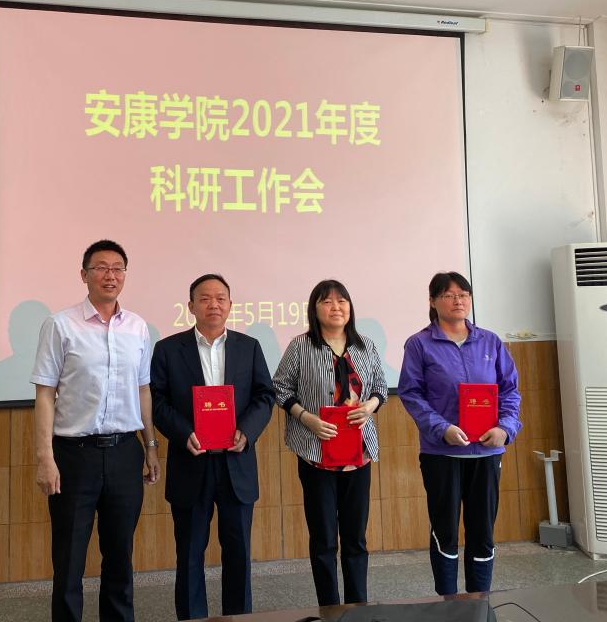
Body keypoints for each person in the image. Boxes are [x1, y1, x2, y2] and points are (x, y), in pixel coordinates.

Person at [31, 240, 161, 622]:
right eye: (101, 267)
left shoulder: (137, 327)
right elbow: (44, 394)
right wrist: (45, 457)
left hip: (124, 453)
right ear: (84, 274)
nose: (110, 275)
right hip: (74, 455)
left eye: (118, 268)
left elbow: (143, 390)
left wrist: (150, 446)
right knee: (69, 558)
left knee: (120, 557)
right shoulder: (60, 325)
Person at [151, 274, 275, 620]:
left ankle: (239, 617)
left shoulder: (249, 347)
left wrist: (247, 431)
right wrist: (183, 433)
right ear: (191, 306)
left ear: (230, 306)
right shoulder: (168, 349)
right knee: (190, 554)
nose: (213, 305)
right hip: (191, 461)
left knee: (238, 553)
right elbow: (156, 401)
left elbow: (265, 395)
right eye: (204, 299)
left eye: (220, 298)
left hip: (236, 463)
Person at [398, 271, 522, 596]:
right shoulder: (419, 344)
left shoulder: (490, 341)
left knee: (482, 531)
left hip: (487, 452)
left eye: (463, 294)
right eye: (449, 295)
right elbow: (411, 394)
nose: (458, 301)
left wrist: (505, 428)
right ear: (433, 301)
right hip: (442, 453)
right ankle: (448, 601)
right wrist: (442, 429)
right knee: (445, 531)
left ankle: (479, 601)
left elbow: (510, 391)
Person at [272, 279, 388, 605]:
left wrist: (371, 405)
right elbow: (280, 387)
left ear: (350, 307)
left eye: (342, 301)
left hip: (358, 454)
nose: (336, 307)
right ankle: (329, 608)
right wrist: (305, 417)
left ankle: (357, 606)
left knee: (355, 538)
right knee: (323, 539)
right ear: (315, 309)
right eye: (327, 301)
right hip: (316, 453)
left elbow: (380, 385)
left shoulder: (365, 345)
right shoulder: (300, 346)